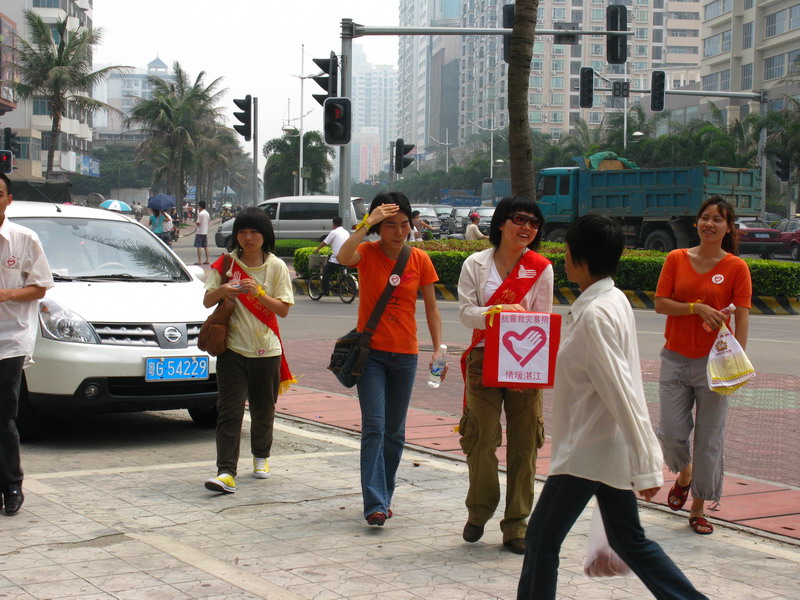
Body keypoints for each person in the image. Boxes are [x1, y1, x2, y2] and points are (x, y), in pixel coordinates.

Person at [517, 214, 708, 600]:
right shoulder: (611, 298)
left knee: (540, 540)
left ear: (580, 257)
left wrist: (646, 462)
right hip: (603, 448)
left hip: (588, 450)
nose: (564, 257)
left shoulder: (597, 314)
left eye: (568, 250)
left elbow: (621, 390)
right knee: (629, 540)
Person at [337, 191, 445, 526]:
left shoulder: (419, 260)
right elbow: (342, 255)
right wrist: (366, 222)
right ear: (378, 228)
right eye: (390, 226)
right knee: (374, 427)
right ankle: (375, 504)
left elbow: (430, 307)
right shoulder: (366, 253)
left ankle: (385, 495)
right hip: (371, 356)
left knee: (395, 432)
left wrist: (438, 348)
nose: (399, 232)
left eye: (404, 225)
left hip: (406, 356)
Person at [457, 195, 553, 554]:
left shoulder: (541, 268)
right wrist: (497, 310)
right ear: (500, 223)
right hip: (483, 358)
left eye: (534, 222)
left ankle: (517, 525)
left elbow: (542, 319)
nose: (526, 227)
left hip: (525, 362)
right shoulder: (475, 263)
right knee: (481, 437)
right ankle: (479, 511)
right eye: (519, 219)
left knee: (525, 443)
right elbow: (466, 313)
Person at [654, 196, 751, 535]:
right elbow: (661, 304)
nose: (710, 223)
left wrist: (737, 360)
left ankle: (698, 508)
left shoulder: (737, 267)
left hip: (715, 365)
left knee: (709, 438)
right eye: (705, 217)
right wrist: (695, 308)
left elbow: (742, 315)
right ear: (696, 223)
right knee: (669, 431)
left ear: (728, 227)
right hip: (675, 358)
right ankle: (684, 473)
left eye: (718, 219)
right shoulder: (676, 258)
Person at [202, 207, 295, 494]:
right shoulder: (226, 264)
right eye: (242, 231)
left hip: (267, 352)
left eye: (254, 231)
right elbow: (207, 301)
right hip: (232, 351)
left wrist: (258, 293)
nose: (248, 237)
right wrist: (225, 290)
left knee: (263, 410)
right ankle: (226, 472)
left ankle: (261, 457)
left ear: (265, 235)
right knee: (229, 411)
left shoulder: (276, 266)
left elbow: (283, 310)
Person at [0, 172, 54, 516]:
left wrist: (7, 294)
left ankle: (11, 484)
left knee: (4, 414)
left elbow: (41, 286)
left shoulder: (24, 239)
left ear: (8, 199)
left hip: (10, 340)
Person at [312, 216, 350, 295]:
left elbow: (324, 243)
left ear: (334, 224)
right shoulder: (346, 232)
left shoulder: (334, 232)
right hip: (347, 257)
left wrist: (316, 250)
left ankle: (326, 290)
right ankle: (341, 285)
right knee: (340, 270)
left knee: (326, 271)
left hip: (337, 258)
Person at [195, 200, 211, 265]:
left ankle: (199, 260)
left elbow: (198, 223)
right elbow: (208, 222)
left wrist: (196, 223)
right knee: (205, 246)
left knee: (198, 246)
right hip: (205, 231)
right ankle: (207, 259)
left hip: (199, 232)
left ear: (200, 206)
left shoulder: (200, 214)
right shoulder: (207, 213)